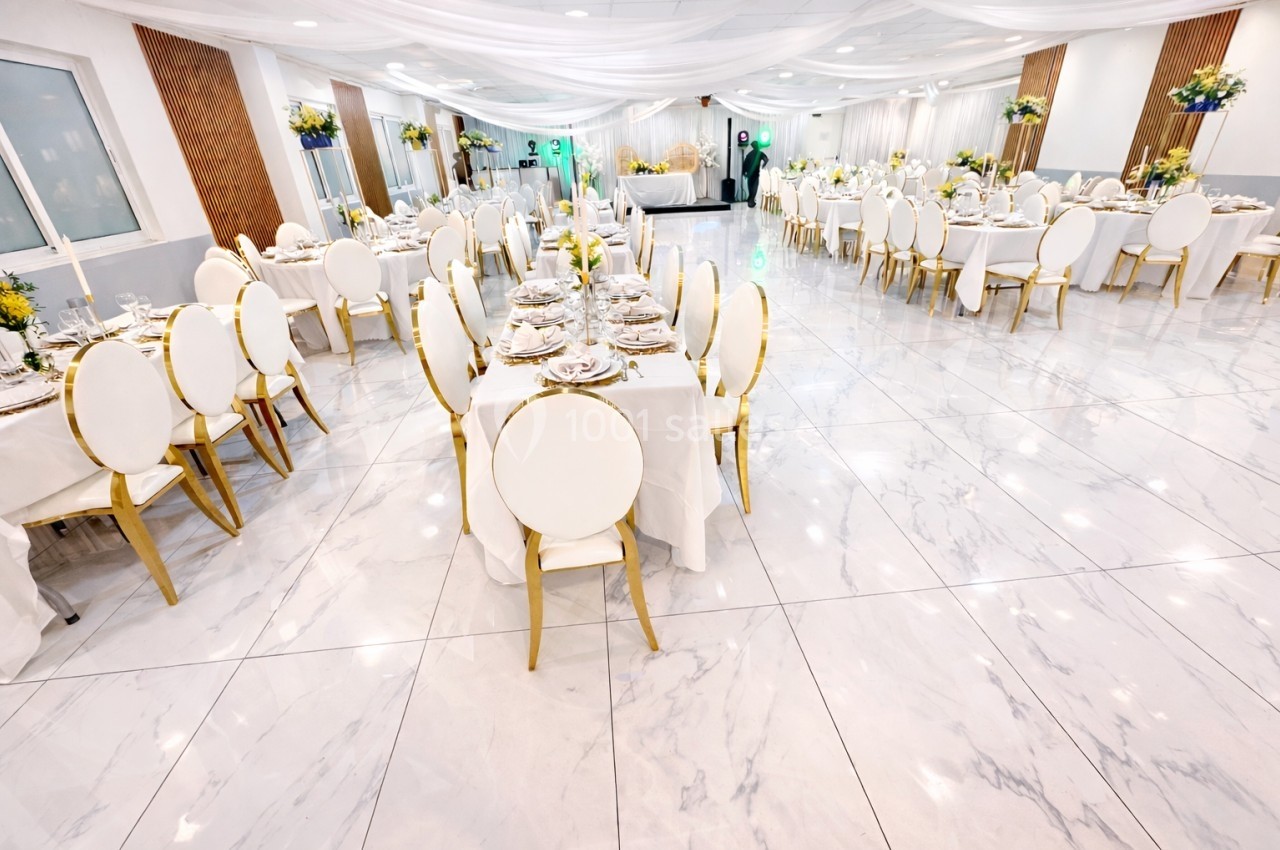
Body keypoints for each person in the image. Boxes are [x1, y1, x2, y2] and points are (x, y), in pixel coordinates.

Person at [744, 141, 769, 208]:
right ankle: (751, 201)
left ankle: (750, 199)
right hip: (755, 173)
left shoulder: (749, 154)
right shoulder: (760, 153)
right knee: (755, 187)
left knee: (750, 186)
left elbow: (745, 164)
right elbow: (766, 159)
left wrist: (744, 173)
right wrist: (763, 166)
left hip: (749, 174)